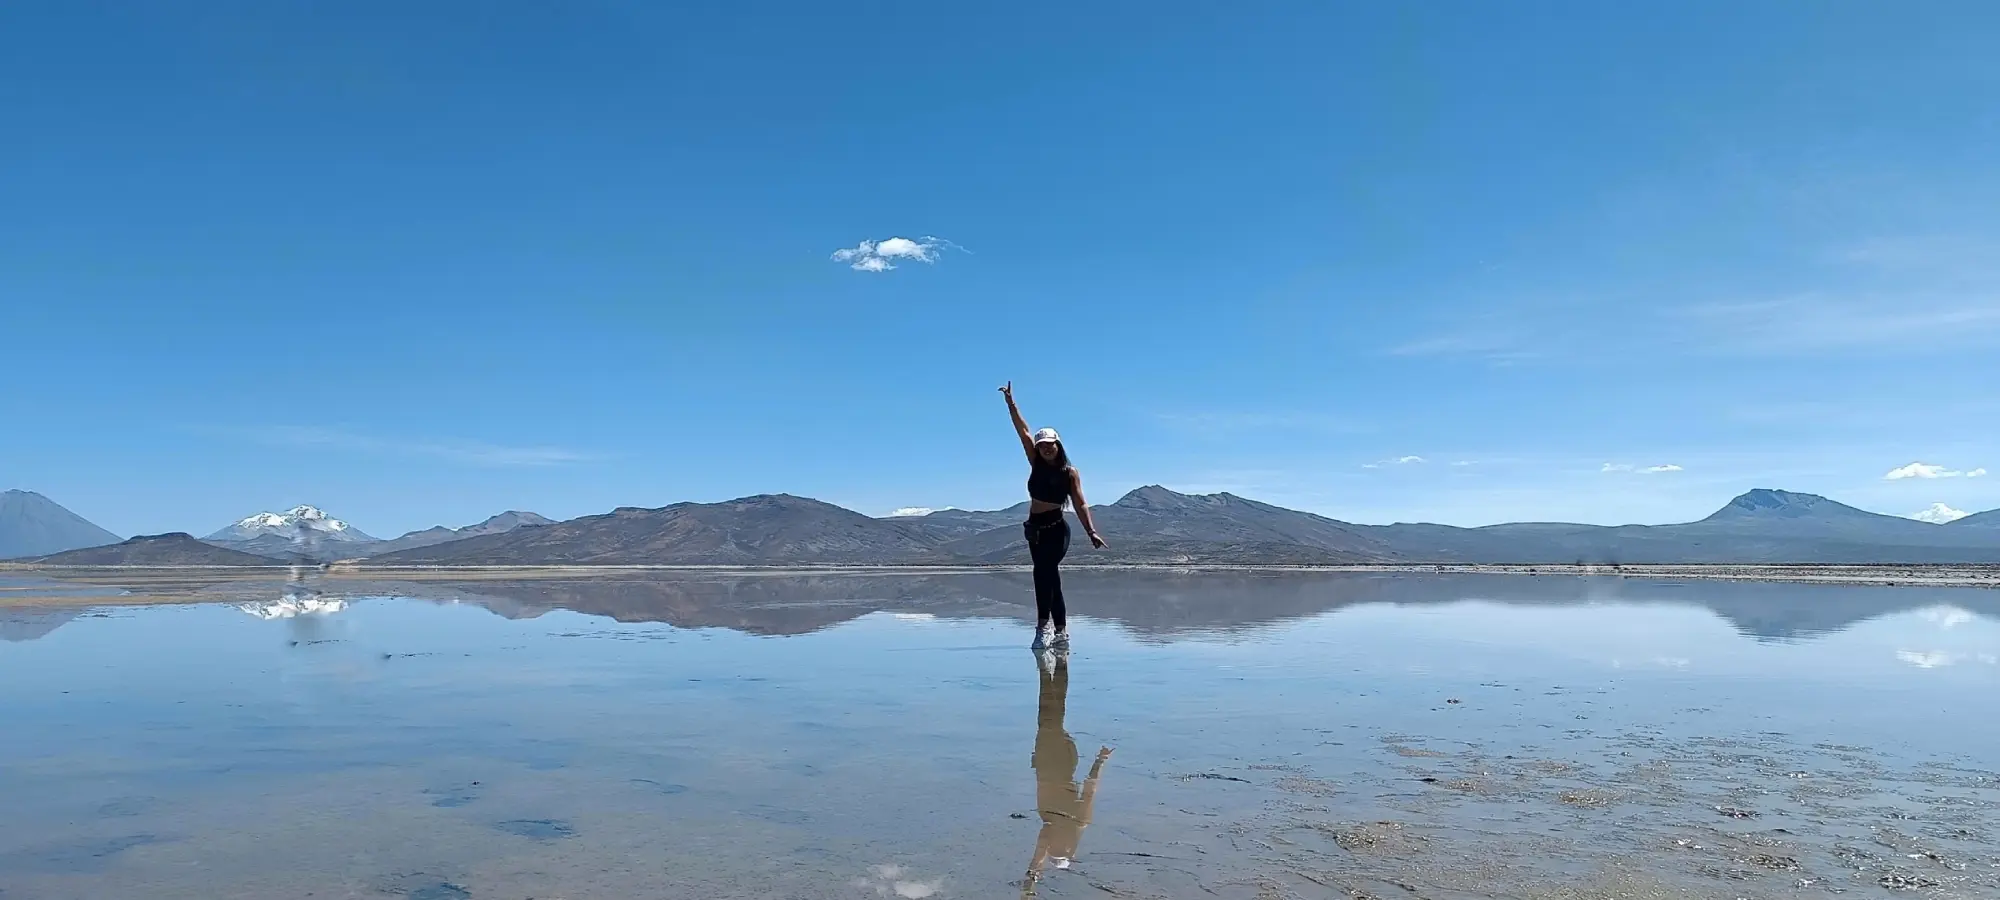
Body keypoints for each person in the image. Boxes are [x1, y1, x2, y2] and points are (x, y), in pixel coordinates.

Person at [1000, 382, 1106, 650]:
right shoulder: (1034, 462)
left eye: (1051, 444)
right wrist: (1011, 404)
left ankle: (1042, 628)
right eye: (1042, 445)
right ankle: (1061, 631)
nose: (1046, 448)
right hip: (1035, 530)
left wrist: (1091, 531)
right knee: (1050, 578)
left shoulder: (1070, 473)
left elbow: (1081, 504)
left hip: (1057, 529)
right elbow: (1022, 431)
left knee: (1042, 573)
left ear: (1058, 445)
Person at [1022, 649, 1111, 898]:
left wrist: (1032, 880)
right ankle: (1052, 666)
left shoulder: (1064, 825)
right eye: (1056, 850)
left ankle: (1054, 666)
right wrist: (1099, 761)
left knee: (1052, 714)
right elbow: (1090, 788)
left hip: (1055, 761)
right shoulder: (1063, 824)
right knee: (1050, 715)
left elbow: (1090, 787)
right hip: (1052, 762)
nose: (1050, 847)